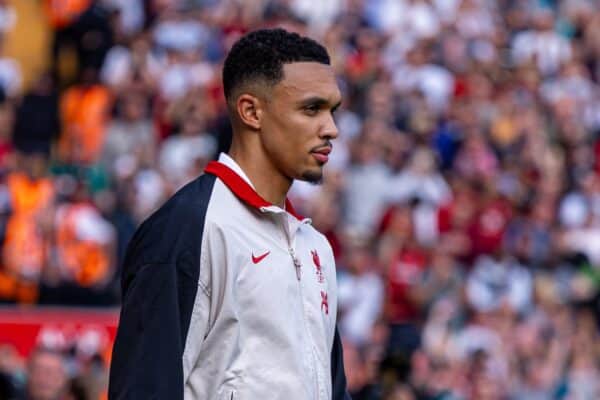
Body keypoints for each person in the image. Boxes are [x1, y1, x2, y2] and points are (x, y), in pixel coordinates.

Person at [109, 28, 350, 399]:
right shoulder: (186, 229)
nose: (331, 129)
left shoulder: (316, 246)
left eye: (332, 111)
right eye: (311, 108)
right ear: (251, 111)